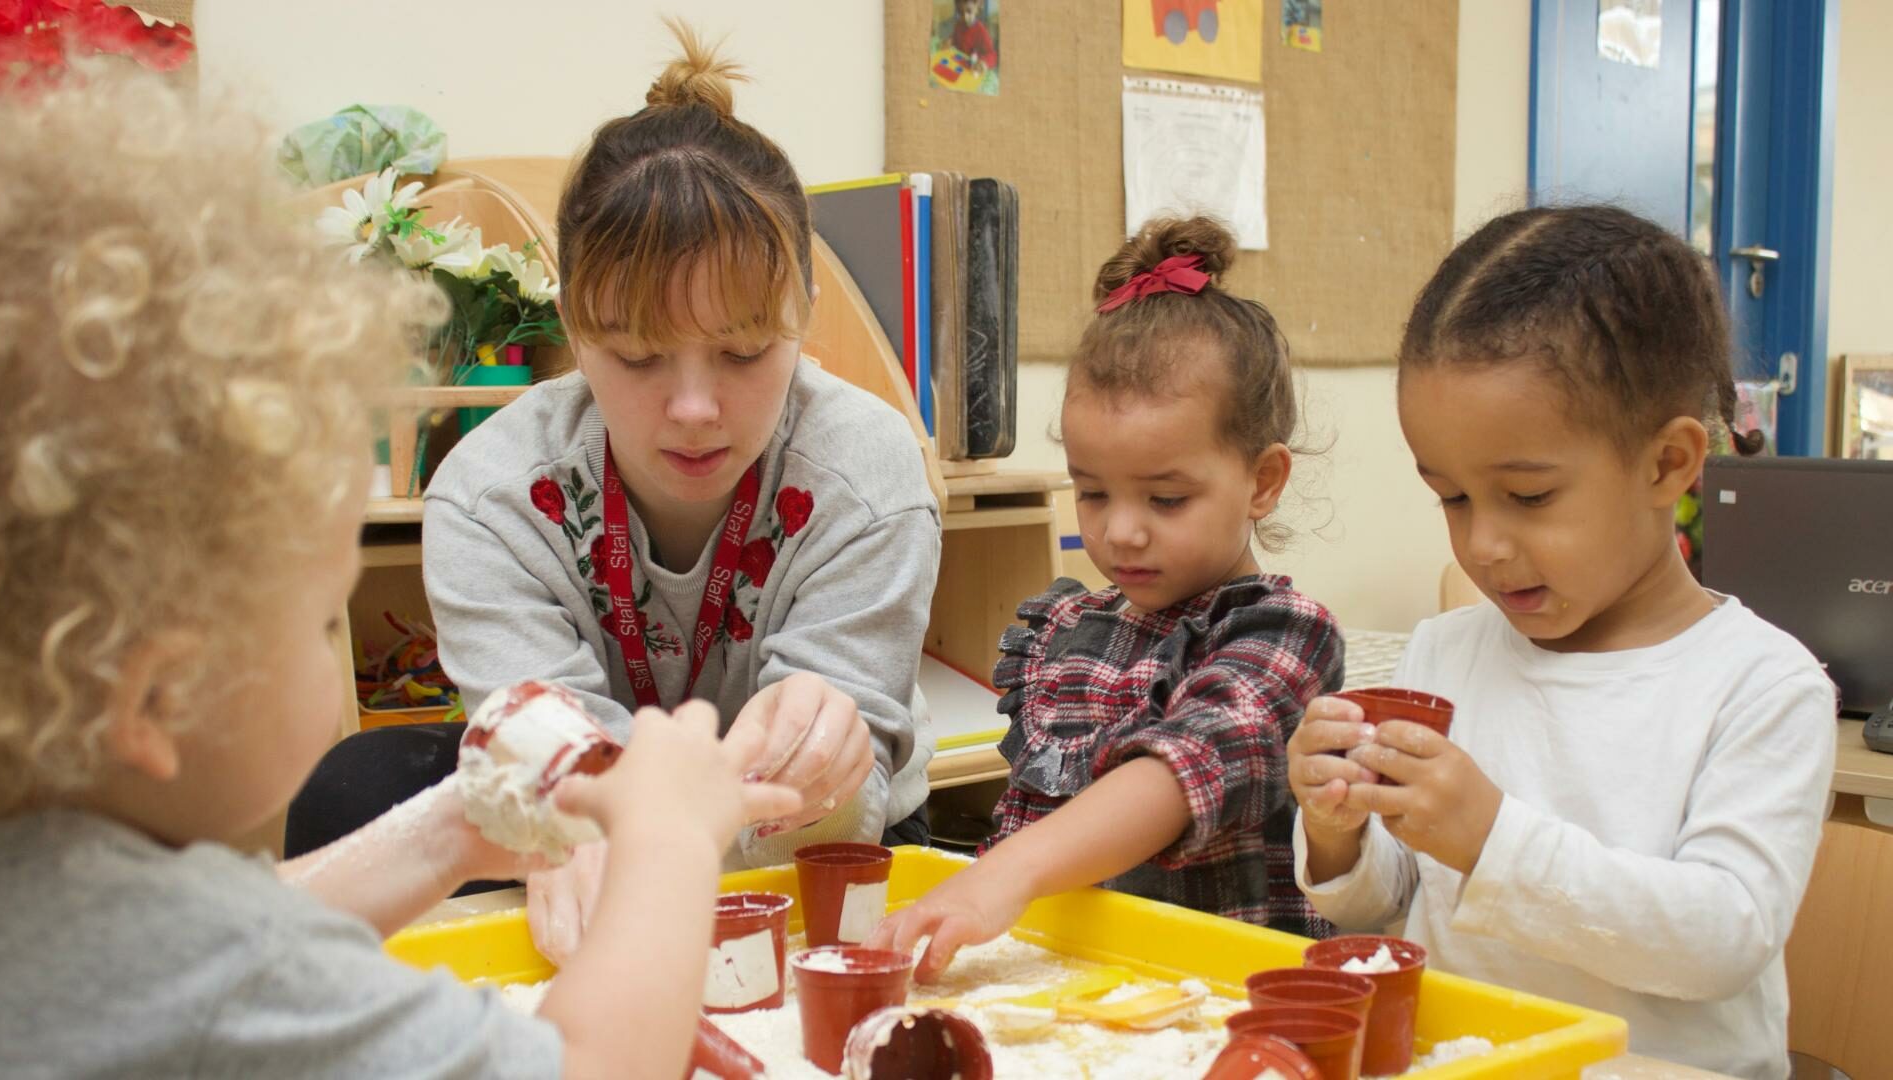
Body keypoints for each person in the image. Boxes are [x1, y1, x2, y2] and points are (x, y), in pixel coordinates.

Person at [0, 68, 799, 1079]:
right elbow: (594, 1067)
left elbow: (206, 938)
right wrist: (669, 839)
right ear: (158, 693)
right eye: (323, 618)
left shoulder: (41, 899)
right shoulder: (237, 980)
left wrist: (450, 830)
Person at [288, 23, 943, 961]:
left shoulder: (867, 471)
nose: (692, 407)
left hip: (806, 837)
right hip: (594, 826)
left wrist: (828, 756)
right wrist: (577, 817)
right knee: (361, 782)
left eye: (745, 351)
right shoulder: (491, 492)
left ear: (800, 310)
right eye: (636, 355)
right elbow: (551, 763)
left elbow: (820, 816)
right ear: (572, 326)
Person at [1288, 204, 1834, 1080]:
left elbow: (1722, 937)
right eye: (1452, 498)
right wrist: (1337, 830)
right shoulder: (1445, 652)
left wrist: (1492, 838)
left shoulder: (1763, 685)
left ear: (1668, 464)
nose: (1483, 546)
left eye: (1530, 497)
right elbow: (1381, 907)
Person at [871, 216, 1342, 982]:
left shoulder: (1284, 636)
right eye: (1092, 492)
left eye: (1165, 498)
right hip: (1078, 989)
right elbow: (1027, 819)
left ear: (1262, 481)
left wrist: (1005, 875)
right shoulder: (1063, 627)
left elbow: (1178, 771)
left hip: (1219, 995)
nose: (1121, 533)